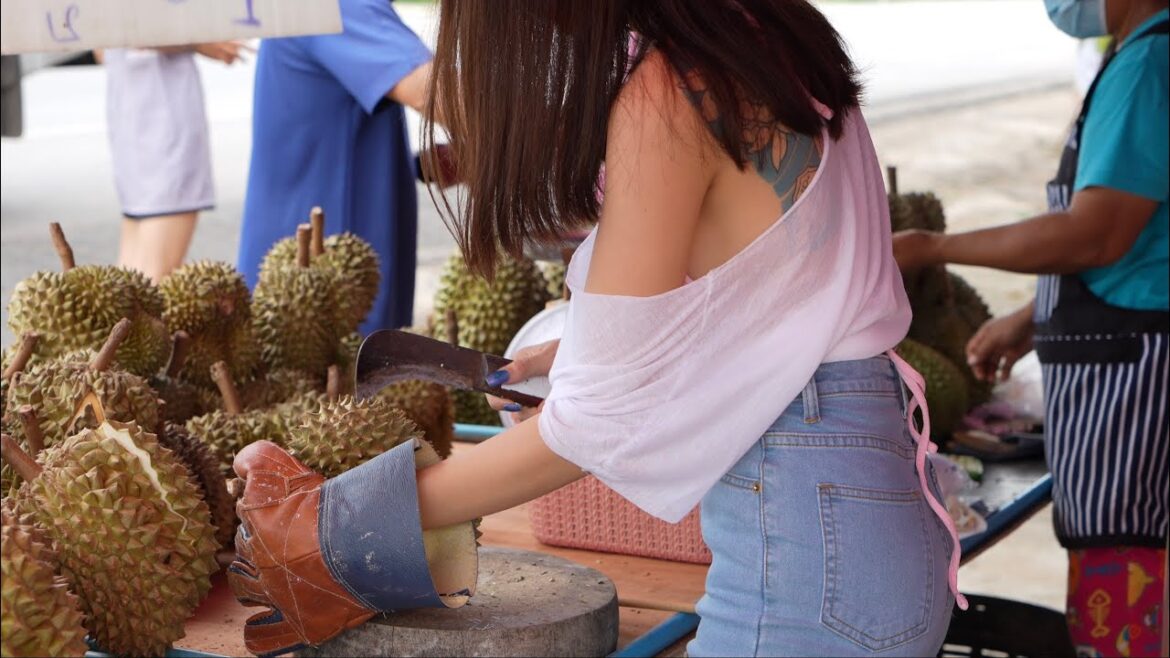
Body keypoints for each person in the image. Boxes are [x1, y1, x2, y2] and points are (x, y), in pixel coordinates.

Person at [225, 2, 966, 655]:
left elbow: (597, 424)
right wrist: (581, 347)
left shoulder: (668, 93)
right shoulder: (765, 31)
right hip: (871, 506)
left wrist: (332, 523)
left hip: (807, 541)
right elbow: (779, 287)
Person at [893, 1, 1168, 655]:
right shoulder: (1136, 55)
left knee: (1120, 580)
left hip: (1131, 379)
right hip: (1122, 353)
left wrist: (934, 245)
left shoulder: (1148, 63)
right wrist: (1037, 313)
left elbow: (1095, 231)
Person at [236, 0, 433, 334]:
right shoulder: (345, 5)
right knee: (340, 384)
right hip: (319, 290)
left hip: (317, 277)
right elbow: (437, 93)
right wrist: (543, 149)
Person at [105, 42, 246, 282]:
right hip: (164, 123)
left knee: (128, 281)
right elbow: (143, 27)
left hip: (130, 113)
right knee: (153, 280)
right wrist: (204, 42)